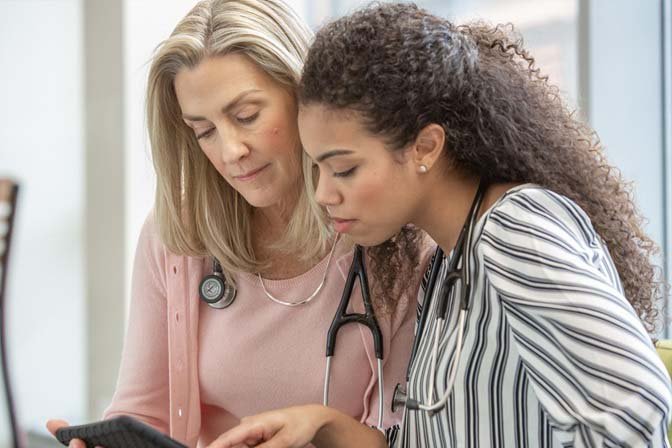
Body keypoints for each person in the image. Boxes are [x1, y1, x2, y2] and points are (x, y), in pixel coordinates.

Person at [208, 3, 672, 447]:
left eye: (344, 169)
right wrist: (318, 424)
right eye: (318, 169)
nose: (324, 194)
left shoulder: (514, 230)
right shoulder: (447, 266)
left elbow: (635, 411)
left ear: (425, 148)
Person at [46, 1, 432, 447]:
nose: (230, 151)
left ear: (303, 94)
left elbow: (406, 437)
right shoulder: (177, 238)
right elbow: (143, 409)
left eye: (246, 116)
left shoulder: (391, 237)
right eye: (203, 130)